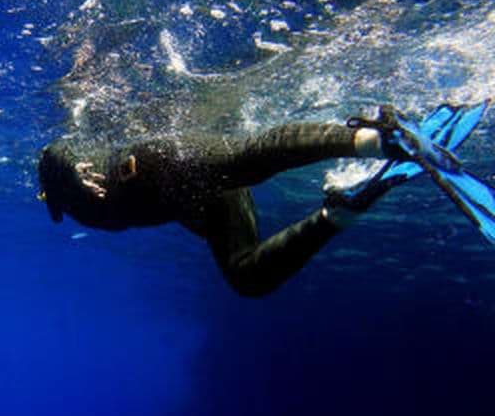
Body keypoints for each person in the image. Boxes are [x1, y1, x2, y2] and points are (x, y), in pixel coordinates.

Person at [37, 103, 492, 297]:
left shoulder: (76, 187)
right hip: (197, 200)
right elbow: (56, 177)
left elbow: (54, 153)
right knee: (246, 277)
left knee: (246, 159)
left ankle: (380, 138)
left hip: (159, 160)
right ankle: (341, 212)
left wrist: (71, 169)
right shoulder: (74, 209)